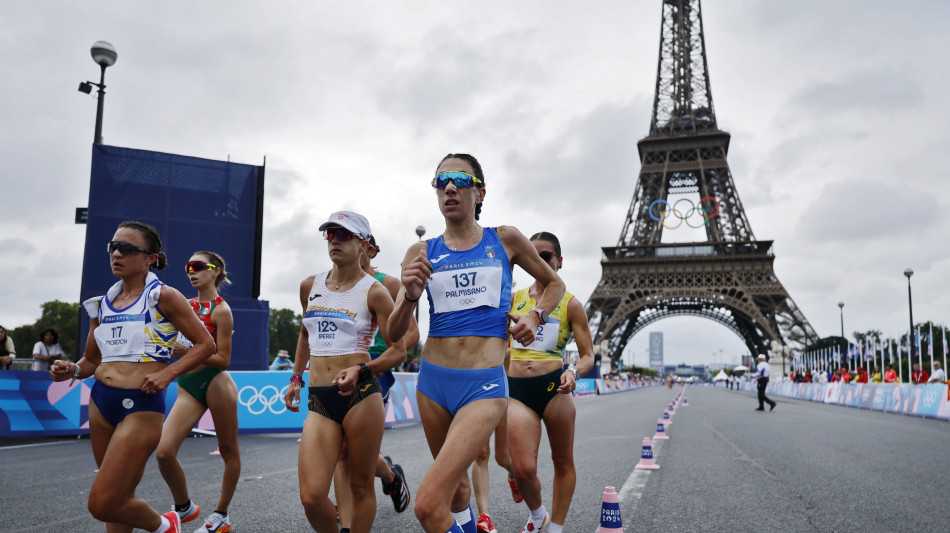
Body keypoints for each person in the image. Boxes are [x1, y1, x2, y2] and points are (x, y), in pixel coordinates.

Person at [388, 153, 565, 533]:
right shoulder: (419, 252)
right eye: (440, 181)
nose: (449, 187)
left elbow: (555, 284)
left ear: (479, 192)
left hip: (482, 383)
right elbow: (392, 333)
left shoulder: (504, 239)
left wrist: (536, 316)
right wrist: (410, 294)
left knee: (427, 504)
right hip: (433, 384)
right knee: (456, 494)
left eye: (459, 179)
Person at [49, 220, 215, 533]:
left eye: (127, 248)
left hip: (140, 406)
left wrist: (168, 373)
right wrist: (70, 370)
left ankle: (165, 525)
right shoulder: (101, 305)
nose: (116, 254)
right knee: (120, 498)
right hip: (101, 403)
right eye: (113, 247)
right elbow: (91, 361)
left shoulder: (164, 297)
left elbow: (207, 344)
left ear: (150, 258)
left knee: (102, 504)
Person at [283, 211, 406, 533]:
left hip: (361, 394)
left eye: (344, 235)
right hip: (320, 397)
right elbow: (305, 335)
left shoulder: (375, 291)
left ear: (364, 244)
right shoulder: (309, 285)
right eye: (330, 235)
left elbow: (399, 349)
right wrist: (296, 377)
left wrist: (361, 368)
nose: (335, 240)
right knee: (311, 496)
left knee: (360, 485)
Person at [506, 232, 594, 533]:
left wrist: (575, 373)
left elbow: (588, 356)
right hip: (518, 391)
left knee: (562, 462)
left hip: (554, 388)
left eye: (546, 256)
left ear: (559, 261)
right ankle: (538, 513)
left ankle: (555, 527)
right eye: (534, 254)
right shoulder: (514, 300)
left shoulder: (571, 305)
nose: (540, 261)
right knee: (523, 469)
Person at [333, 232, 416, 532]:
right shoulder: (337, 283)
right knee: (344, 451)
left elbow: (413, 334)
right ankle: (351, 517)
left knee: (351, 449)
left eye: (365, 246)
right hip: (341, 368)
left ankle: (389, 481)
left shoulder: (388, 283)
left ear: (371, 250)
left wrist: (378, 363)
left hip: (376, 370)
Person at [156, 251, 241, 533]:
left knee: (229, 450)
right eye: (188, 267)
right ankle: (185, 507)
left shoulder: (221, 310)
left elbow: (224, 359)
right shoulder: (186, 305)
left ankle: (221, 515)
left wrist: (188, 351)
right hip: (188, 385)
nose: (191, 272)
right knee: (164, 453)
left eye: (198, 267)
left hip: (217, 382)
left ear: (215, 271)